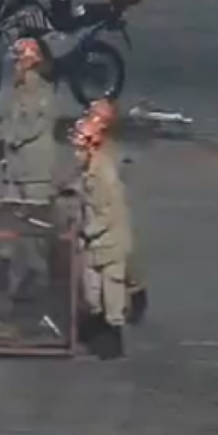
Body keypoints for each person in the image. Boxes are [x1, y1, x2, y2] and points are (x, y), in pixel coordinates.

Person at [0, 37, 57, 297]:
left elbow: (32, 127)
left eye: (18, 60)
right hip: (16, 170)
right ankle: (3, 267)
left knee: (36, 224)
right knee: (8, 216)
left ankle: (40, 274)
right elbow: (11, 121)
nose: (15, 65)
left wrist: (9, 137)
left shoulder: (43, 92)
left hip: (35, 172)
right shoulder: (20, 89)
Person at [73, 110, 134, 360]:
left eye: (78, 148)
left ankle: (111, 342)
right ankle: (97, 330)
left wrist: (85, 231)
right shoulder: (91, 168)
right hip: (96, 242)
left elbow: (107, 214)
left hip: (110, 243)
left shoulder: (104, 175)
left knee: (112, 294)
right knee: (91, 291)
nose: (75, 154)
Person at [86, 97, 148, 324]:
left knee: (122, 256)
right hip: (106, 205)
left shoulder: (110, 150)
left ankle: (135, 293)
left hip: (115, 208)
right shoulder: (96, 143)